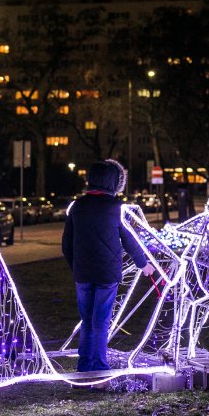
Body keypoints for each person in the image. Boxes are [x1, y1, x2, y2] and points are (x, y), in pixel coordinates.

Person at [62, 159, 155, 374]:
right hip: (107, 274)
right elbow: (129, 240)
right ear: (114, 183)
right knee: (100, 323)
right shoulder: (117, 208)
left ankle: (84, 368)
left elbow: (66, 244)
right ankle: (100, 370)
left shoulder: (77, 206)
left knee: (87, 322)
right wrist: (144, 264)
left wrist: (76, 266)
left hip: (83, 273)